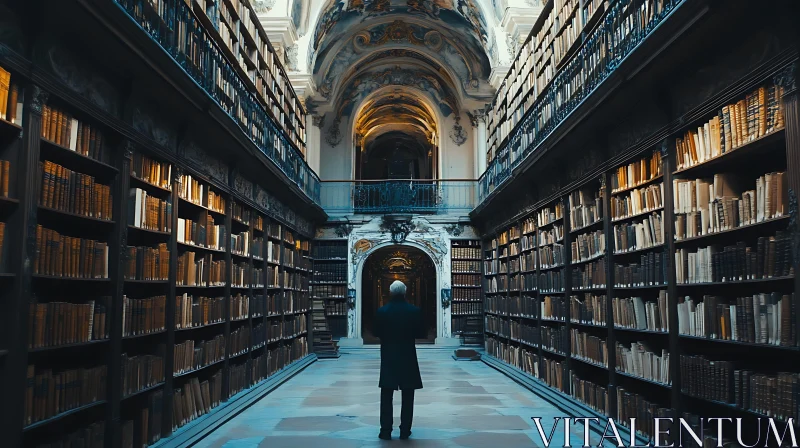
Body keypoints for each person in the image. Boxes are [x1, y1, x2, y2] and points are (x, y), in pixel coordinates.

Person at [373, 280, 424, 440]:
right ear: (405, 292)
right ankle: (405, 430)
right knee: (408, 395)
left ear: (390, 292)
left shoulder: (382, 311)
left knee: (386, 394)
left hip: (388, 356)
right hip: (408, 355)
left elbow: (375, 332)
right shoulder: (414, 311)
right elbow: (421, 333)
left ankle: (385, 430)